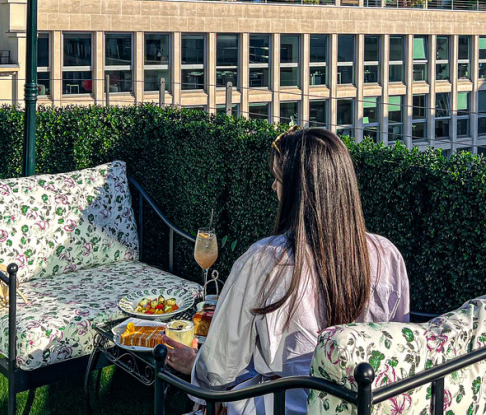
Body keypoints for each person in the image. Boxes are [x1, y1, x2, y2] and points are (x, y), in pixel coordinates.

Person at [164, 128, 410, 415]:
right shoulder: (387, 254)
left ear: (296, 191)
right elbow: (394, 347)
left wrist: (195, 365)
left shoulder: (265, 262)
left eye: (278, 179)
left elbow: (218, 371)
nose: (273, 188)